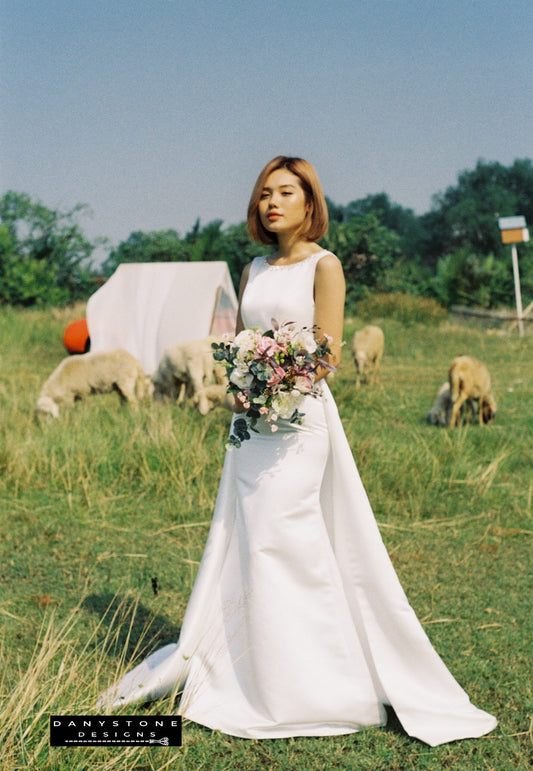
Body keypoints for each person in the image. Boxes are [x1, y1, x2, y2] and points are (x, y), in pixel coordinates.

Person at [98, 156, 497, 746]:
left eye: (286, 192)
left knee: (288, 539)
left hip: (300, 420)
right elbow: (241, 341)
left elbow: (328, 354)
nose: (272, 203)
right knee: (251, 539)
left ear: (310, 202)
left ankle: (318, 685)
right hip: (251, 427)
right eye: (265, 193)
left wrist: (274, 383)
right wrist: (243, 382)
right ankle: (253, 671)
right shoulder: (253, 268)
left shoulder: (324, 265)